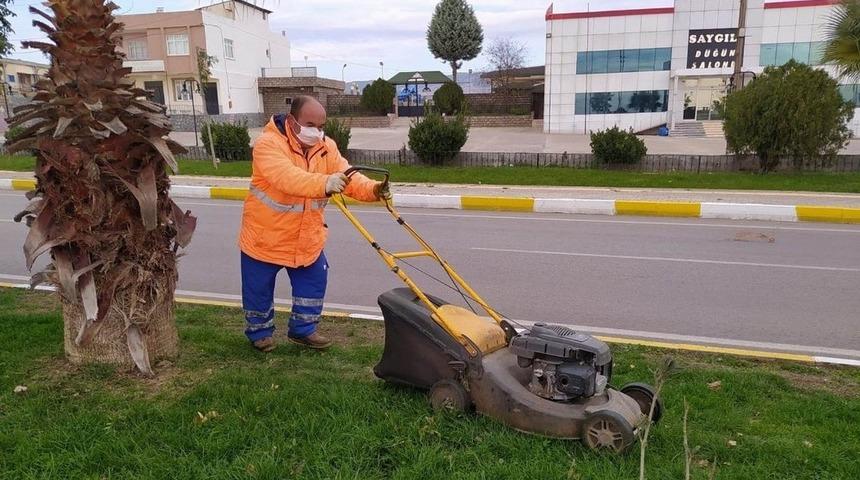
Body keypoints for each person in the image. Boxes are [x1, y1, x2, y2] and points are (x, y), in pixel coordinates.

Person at [238, 95, 390, 352]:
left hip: (306, 237)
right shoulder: (268, 145)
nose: (316, 132)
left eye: (321, 127)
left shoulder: (326, 147)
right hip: (265, 238)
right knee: (258, 290)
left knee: (313, 283)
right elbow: (286, 177)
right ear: (291, 120)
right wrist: (324, 184)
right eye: (310, 124)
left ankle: (303, 330)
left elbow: (348, 175)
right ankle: (260, 333)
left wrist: (375, 190)